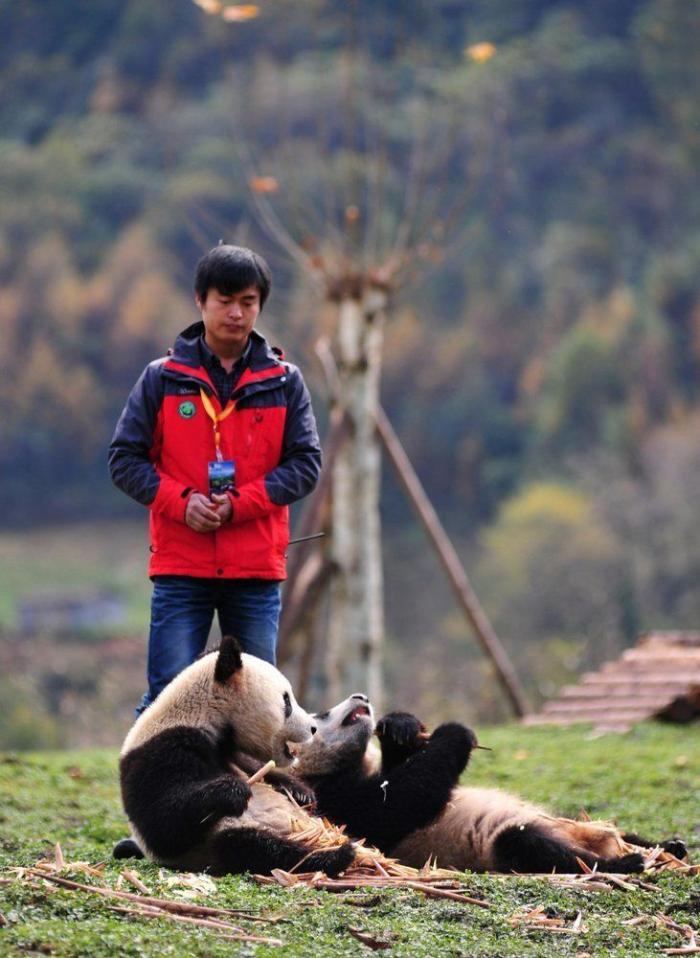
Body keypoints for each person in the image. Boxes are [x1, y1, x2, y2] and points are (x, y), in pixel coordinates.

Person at [109, 244, 322, 713]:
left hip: (254, 567)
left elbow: (306, 464)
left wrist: (240, 503)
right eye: (224, 300)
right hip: (181, 565)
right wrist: (181, 502)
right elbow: (124, 459)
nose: (236, 312)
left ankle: (255, 789)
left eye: (247, 301)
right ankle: (160, 787)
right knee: (170, 696)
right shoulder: (161, 379)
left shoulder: (285, 382)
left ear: (260, 305)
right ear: (200, 301)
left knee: (260, 703)